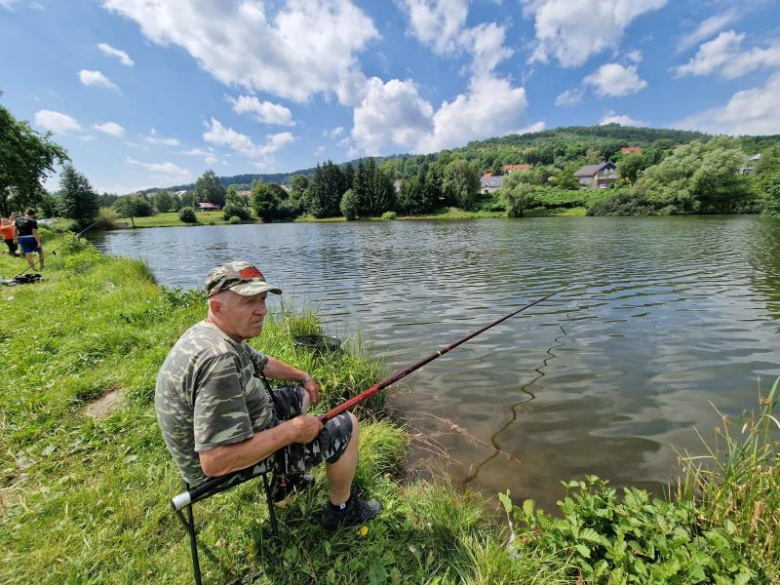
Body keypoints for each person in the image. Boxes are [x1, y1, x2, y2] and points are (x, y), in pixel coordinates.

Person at [155, 261, 381, 531]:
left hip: (246, 427)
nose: (262, 310)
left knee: (300, 397)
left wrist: (304, 378)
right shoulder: (219, 361)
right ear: (218, 307)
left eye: (263, 299)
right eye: (250, 301)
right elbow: (215, 462)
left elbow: (262, 362)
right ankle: (342, 512)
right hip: (219, 468)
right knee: (348, 426)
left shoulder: (214, 333)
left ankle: (286, 480)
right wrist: (292, 430)